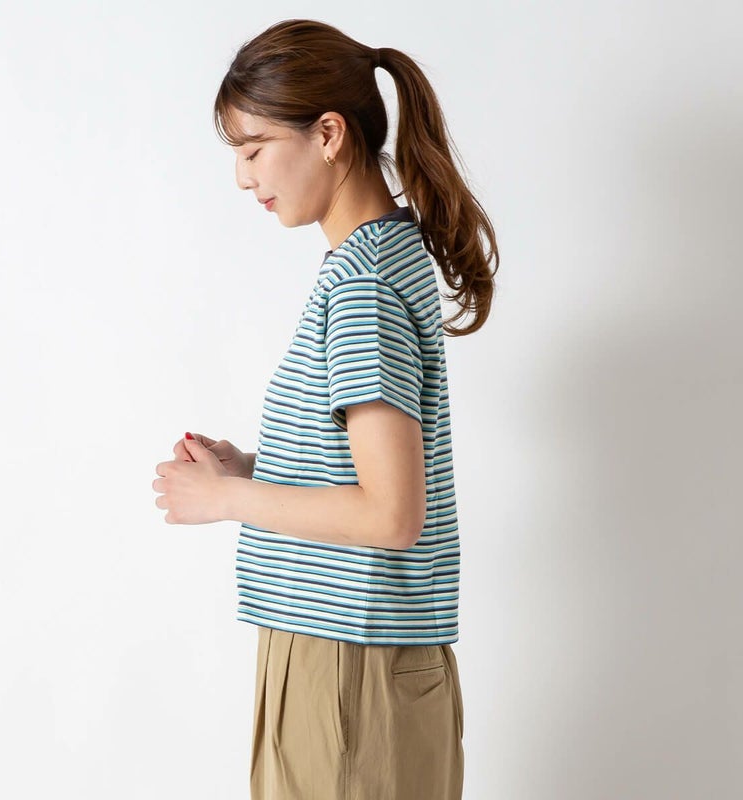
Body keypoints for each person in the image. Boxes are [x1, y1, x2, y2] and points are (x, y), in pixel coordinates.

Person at [152, 18, 499, 800]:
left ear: (329, 134)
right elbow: (370, 467)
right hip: (354, 659)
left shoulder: (362, 285)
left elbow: (390, 515)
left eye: (253, 148)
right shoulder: (381, 257)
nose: (243, 177)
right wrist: (255, 467)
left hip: (346, 668)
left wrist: (226, 499)